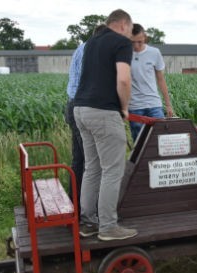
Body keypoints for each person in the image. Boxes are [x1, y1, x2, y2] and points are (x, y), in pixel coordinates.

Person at [72, 9, 137, 241]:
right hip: (103, 111)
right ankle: (109, 226)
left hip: (80, 109)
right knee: (112, 171)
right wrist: (125, 107)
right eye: (130, 30)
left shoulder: (91, 42)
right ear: (123, 25)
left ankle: (88, 222)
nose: (130, 35)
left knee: (92, 168)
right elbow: (123, 79)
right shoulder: (121, 42)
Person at [65, 24, 106, 213]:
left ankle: (74, 202)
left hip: (72, 105)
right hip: (85, 106)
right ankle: (89, 210)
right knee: (93, 162)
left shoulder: (80, 48)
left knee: (79, 159)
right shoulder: (93, 51)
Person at [128, 23, 174, 142]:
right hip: (134, 106)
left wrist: (168, 104)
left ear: (145, 37)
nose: (136, 46)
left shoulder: (154, 52)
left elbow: (161, 79)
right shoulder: (124, 53)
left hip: (154, 104)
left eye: (139, 41)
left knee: (162, 139)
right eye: (132, 42)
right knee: (139, 142)